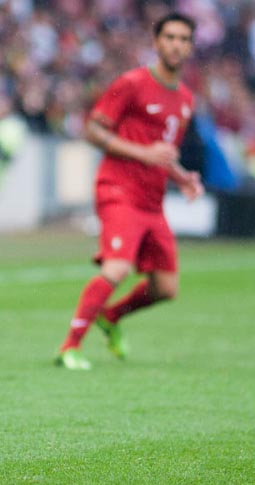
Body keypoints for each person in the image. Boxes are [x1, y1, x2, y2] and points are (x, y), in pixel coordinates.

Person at [55, 12, 204, 370]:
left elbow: (162, 152)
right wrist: (144, 153)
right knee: (117, 268)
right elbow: (93, 130)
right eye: (170, 37)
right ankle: (69, 347)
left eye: (184, 39)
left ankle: (111, 316)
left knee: (166, 288)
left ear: (191, 47)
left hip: (152, 201)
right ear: (156, 42)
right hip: (118, 189)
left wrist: (182, 177)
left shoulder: (186, 99)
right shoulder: (132, 83)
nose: (176, 45)